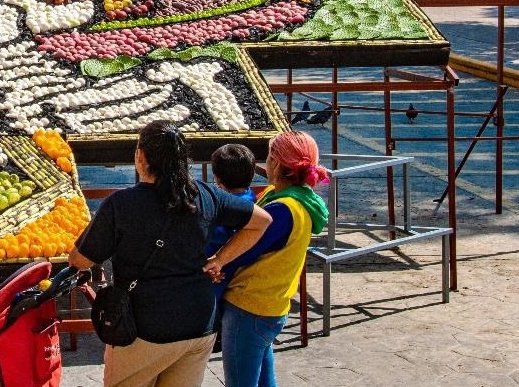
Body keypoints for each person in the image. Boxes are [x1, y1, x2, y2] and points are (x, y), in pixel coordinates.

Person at [69, 121, 271, 387]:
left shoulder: (121, 205)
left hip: (144, 331)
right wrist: (220, 259)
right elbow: (261, 220)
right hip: (199, 327)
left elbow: (80, 260)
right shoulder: (207, 195)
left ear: (141, 157)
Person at [206, 131, 330, 387]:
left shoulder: (284, 209)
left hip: (250, 306)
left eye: (270, 157)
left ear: (278, 164)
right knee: (263, 379)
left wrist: (217, 261)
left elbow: (245, 249)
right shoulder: (300, 200)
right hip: (270, 305)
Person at [205, 143, 259, 352]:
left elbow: (213, 241)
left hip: (218, 271)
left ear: (217, 177)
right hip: (238, 269)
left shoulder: (220, 206)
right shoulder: (251, 198)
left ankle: (213, 332)